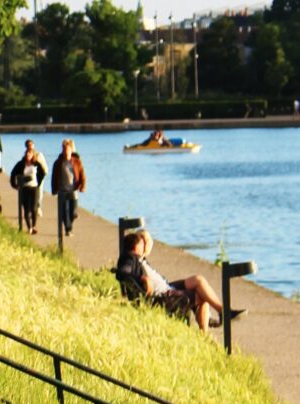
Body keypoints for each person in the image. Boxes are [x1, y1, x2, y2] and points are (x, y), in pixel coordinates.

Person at [116, 229, 245, 333]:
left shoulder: (139, 259)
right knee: (200, 296)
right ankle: (205, 334)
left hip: (167, 287)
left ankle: (223, 312)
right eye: (142, 244)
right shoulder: (130, 258)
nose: (145, 247)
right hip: (163, 295)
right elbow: (122, 272)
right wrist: (142, 278)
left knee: (198, 280)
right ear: (135, 246)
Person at [50, 138, 86, 237]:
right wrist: (54, 190)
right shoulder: (58, 163)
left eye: (68, 150)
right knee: (64, 211)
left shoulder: (76, 162)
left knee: (73, 212)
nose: (66, 152)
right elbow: (54, 177)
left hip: (73, 190)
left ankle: (69, 224)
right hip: (62, 190)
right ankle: (68, 229)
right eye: (64, 150)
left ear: (71, 151)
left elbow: (82, 175)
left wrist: (82, 186)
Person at [10, 147, 45, 234]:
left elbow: (43, 173)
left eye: (30, 154)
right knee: (26, 209)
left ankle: (34, 226)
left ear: (33, 155)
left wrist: (38, 182)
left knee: (34, 208)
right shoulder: (21, 164)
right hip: (24, 188)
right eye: (27, 154)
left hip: (34, 188)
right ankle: (29, 227)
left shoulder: (36, 164)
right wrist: (14, 184)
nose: (28, 155)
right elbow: (13, 173)